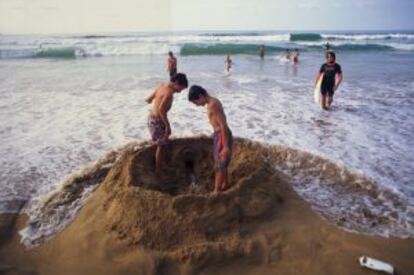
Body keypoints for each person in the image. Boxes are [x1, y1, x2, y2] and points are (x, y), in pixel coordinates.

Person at [188, 85, 233, 193]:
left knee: (220, 165)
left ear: (200, 96)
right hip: (218, 135)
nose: (197, 105)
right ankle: (225, 184)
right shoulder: (211, 103)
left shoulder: (213, 105)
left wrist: (226, 146)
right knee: (222, 162)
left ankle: (216, 191)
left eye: (196, 102)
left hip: (222, 135)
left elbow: (223, 125)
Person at [145, 73, 188, 173]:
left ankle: (161, 164)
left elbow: (149, 99)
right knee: (162, 145)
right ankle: (158, 170)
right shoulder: (169, 94)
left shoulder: (161, 86)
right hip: (157, 121)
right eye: (181, 88)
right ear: (176, 83)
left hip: (151, 119)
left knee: (162, 143)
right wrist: (167, 126)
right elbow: (161, 110)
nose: (180, 91)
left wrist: (155, 99)